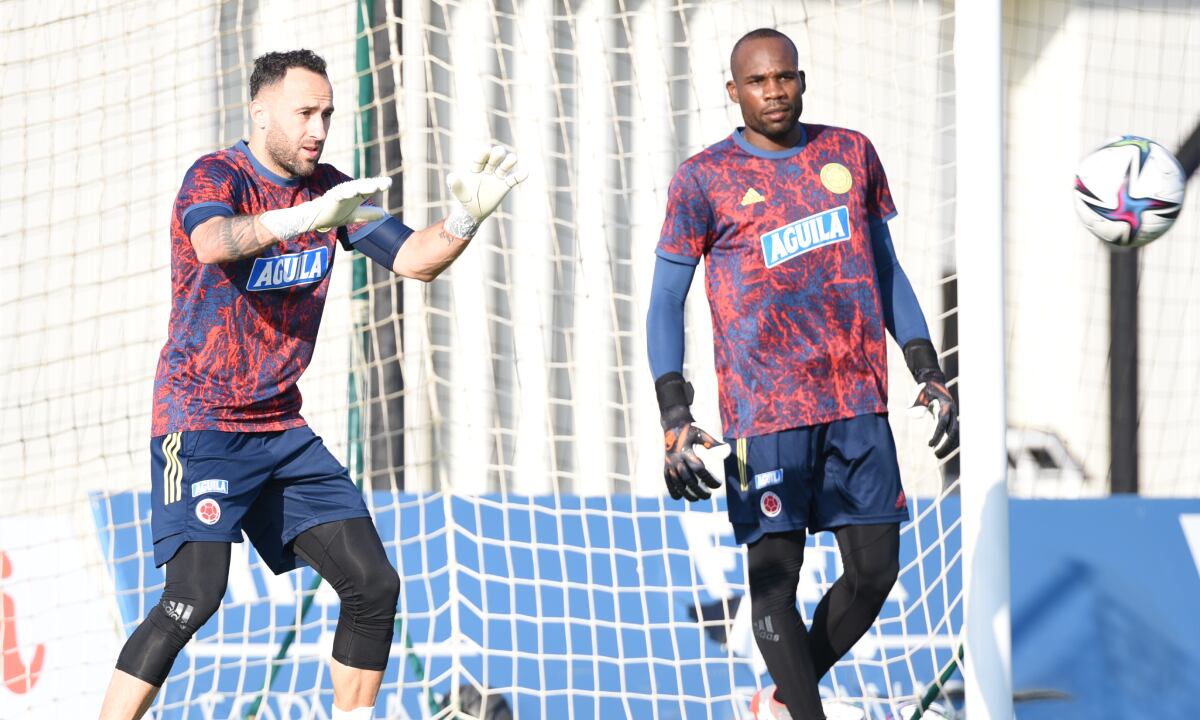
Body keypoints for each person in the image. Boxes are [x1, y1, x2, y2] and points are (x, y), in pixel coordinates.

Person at [98, 49, 526, 720]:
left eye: (327, 114)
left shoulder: (332, 187)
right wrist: (303, 220)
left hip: (280, 433)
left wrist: (467, 217)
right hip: (201, 421)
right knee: (193, 597)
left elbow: (416, 260)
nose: (318, 129)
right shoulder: (218, 175)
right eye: (304, 113)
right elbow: (214, 242)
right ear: (260, 111)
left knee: (372, 583)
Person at [646, 28, 958, 720]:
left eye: (785, 77)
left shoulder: (850, 153)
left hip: (857, 400)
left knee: (875, 573)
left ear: (802, 80)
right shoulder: (704, 179)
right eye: (758, 81)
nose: (775, 91)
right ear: (734, 92)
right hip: (767, 413)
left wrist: (925, 366)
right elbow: (666, 299)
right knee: (775, 582)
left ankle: (784, 701)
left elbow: (886, 268)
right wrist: (674, 410)